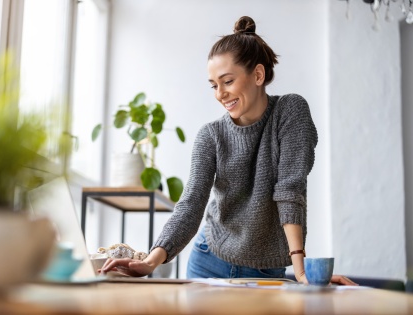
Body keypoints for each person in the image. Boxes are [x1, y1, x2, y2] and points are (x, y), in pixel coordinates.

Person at [101, 16, 356, 285]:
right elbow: (191, 204)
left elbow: (290, 190)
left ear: (258, 75)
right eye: (214, 85)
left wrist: (302, 271)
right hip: (208, 259)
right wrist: (150, 261)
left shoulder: (290, 112)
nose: (220, 94)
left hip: (266, 269)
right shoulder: (210, 136)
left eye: (228, 81)